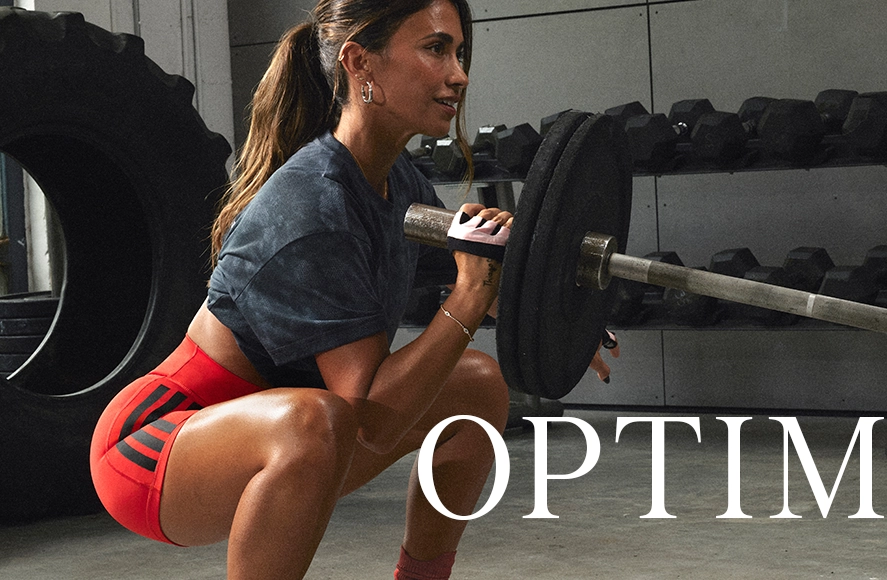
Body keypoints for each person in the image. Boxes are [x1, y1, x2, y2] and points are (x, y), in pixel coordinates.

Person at [90, 1, 616, 578]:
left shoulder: (397, 181)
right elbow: (372, 419)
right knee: (316, 420)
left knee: (475, 385)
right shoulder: (313, 205)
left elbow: (480, 281)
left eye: (459, 52)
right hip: (152, 448)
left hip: (282, 432)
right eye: (436, 49)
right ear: (360, 63)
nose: (458, 74)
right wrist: (466, 296)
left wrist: (554, 314)